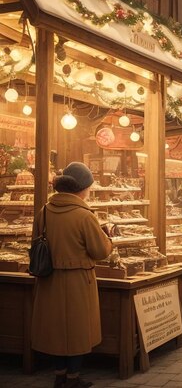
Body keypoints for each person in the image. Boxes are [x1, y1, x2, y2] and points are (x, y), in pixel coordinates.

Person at [31, 162, 113, 388]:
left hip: (49, 280)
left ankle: (59, 374)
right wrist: (108, 238)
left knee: (57, 331)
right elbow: (99, 251)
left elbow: (35, 243)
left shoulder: (44, 212)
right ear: (82, 188)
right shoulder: (84, 215)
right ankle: (73, 378)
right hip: (78, 280)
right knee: (77, 331)